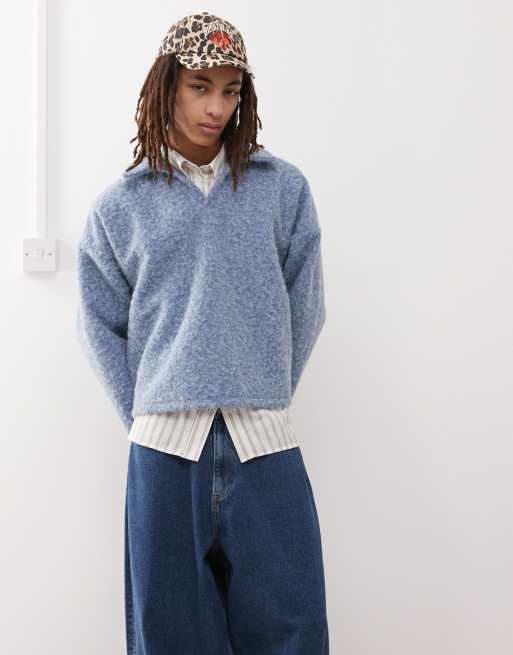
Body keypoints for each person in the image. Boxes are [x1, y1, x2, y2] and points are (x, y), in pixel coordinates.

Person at [76, 11, 329, 654]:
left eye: (230, 90)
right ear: (166, 85)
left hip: (264, 440)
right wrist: (147, 409)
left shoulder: (282, 190)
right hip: (164, 450)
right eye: (199, 87)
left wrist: (263, 385)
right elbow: (100, 324)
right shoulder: (121, 206)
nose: (216, 107)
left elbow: (307, 305)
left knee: (292, 629)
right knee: (168, 635)